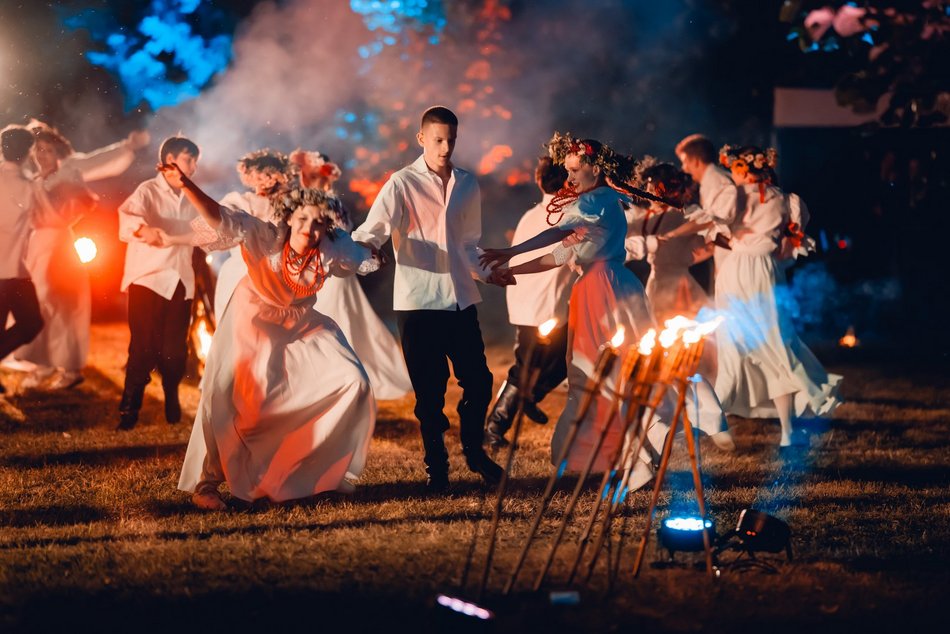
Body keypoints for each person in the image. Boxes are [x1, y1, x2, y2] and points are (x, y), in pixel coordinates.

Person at [171, 163, 377, 510]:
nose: (309, 229)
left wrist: (384, 251)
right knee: (241, 403)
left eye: (318, 223)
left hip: (303, 321)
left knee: (352, 380)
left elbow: (365, 257)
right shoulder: (265, 236)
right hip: (254, 316)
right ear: (288, 217)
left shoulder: (330, 246)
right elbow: (221, 218)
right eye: (302, 221)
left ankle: (314, 473)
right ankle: (208, 483)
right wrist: (187, 185)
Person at [480, 132, 661, 490]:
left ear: (596, 168)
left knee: (609, 373)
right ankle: (608, 454)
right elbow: (561, 254)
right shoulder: (592, 206)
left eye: (576, 170)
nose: (570, 177)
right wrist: (512, 269)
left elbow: (556, 234)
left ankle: (636, 455)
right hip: (591, 290)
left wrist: (510, 252)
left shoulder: (599, 200)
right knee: (588, 375)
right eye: (568, 171)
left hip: (605, 290)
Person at [351, 106, 507, 492]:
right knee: (429, 393)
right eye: (438, 139)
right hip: (418, 303)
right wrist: (363, 257)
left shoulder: (468, 184)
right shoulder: (401, 183)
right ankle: (436, 466)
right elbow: (371, 233)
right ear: (421, 139)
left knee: (480, 381)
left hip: (461, 300)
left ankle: (473, 451)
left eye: (451, 140)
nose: (445, 147)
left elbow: (468, 245)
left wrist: (488, 273)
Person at [707, 145, 841, 447]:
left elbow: (717, 226)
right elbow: (788, 247)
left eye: (736, 170)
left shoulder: (739, 199)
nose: (733, 175)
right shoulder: (786, 201)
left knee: (742, 344)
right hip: (760, 270)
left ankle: (716, 420)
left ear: (745, 169)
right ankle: (782, 431)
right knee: (773, 346)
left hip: (740, 270)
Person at [17, 122, 150, 390]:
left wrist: (127, 146)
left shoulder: (69, 171)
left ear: (58, 153)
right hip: (36, 246)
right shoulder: (31, 181)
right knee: (37, 304)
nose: (42, 155)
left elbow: (99, 160)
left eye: (48, 150)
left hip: (59, 244)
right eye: (38, 150)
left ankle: (70, 368)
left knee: (65, 305)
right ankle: (42, 363)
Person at [625, 158, 734, 449]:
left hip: (679, 288)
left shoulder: (685, 214)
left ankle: (710, 418)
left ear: (665, 187)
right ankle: (674, 416)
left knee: (682, 357)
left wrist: (686, 255)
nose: (647, 190)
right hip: (656, 285)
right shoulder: (641, 216)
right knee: (660, 357)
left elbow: (711, 233)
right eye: (646, 186)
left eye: (652, 186)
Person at [292, 149, 412, 400]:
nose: (306, 179)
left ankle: (343, 372)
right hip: (317, 270)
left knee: (339, 319)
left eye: (311, 175)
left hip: (335, 270)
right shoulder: (308, 202)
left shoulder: (331, 204)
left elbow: (341, 234)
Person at [485, 156, 574, 447]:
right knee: (528, 365)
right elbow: (561, 256)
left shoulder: (533, 214)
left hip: (527, 299)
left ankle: (529, 397)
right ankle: (494, 428)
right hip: (542, 304)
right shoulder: (563, 216)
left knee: (561, 359)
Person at [116, 136, 200, 430]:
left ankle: (171, 392)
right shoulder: (148, 190)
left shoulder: (193, 195)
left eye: (195, 162)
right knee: (144, 346)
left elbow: (207, 229)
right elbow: (128, 218)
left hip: (180, 280)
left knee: (176, 350)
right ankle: (129, 410)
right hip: (147, 278)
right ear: (170, 162)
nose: (193, 167)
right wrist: (142, 229)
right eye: (189, 160)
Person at [212, 149, 292, 320]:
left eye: (271, 174)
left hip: (278, 276)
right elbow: (220, 224)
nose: (266, 180)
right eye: (262, 174)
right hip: (241, 271)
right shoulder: (241, 201)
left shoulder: (290, 206)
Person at [0, 125, 48, 394]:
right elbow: (41, 220)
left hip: (10, 270)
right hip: (13, 270)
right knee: (31, 323)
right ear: (28, 152)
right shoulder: (28, 187)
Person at [665, 134, 739, 280]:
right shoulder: (710, 182)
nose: (683, 169)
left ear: (697, 161)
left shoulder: (718, 182)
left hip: (735, 263)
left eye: (685, 162)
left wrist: (671, 235)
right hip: (726, 259)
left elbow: (711, 221)